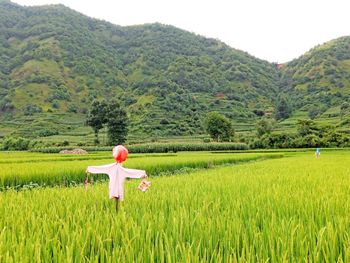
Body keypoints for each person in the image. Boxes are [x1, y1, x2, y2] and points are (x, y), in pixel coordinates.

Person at [86, 145, 147, 212]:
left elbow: (101, 168)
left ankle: (116, 211)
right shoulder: (121, 169)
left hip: (113, 188)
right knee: (118, 198)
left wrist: (90, 169)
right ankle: (116, 211)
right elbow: (132, 172)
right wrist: (142, 173)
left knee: (115, 199)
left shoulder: (111, 167)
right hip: (119, 189)